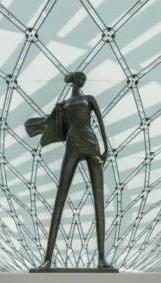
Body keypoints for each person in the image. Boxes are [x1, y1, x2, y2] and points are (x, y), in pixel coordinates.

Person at [24, 71, 114, 270]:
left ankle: (102, 258)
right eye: (81, 79)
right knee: (60, 196)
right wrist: (38, 125)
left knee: (99, 200)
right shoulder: (63, 105)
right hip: (73, 145)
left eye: (84, 79)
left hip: (91, 144)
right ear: (75, 80)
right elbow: (52, 124)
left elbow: (100, 123)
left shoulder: (89, 99)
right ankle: (47, 259)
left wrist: (106, 148)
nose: (83, 81)